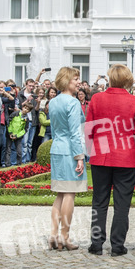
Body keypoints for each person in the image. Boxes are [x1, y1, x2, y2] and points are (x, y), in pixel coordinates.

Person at [85, 64, 135, 257]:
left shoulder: (97, 98)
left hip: (101, 154)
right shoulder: (134, 101)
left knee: (99, 202)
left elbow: (89, 129)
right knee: (122, 204)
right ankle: (117, 244)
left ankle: (96, 243)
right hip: (126, 156)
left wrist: (92, 149)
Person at [48, 67, 87, 251]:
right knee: (69, 193)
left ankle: (53, 234)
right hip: (69, 151)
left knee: (60, 194)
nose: (78, 82)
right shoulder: (73, 102)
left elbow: (56, 129)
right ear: (66, 80)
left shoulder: (53, 102)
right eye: (75, 79)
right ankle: (64, 236)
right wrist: (79, 156)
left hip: (57, 148)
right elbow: (75, 133)